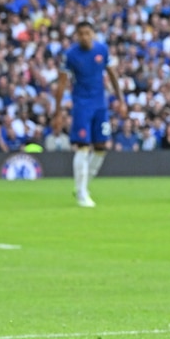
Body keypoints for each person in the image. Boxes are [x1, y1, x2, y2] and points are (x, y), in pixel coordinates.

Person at [52, 20, 124, 208]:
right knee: (83, 146)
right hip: (82, 105)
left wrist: (121, 100)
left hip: (100, 104)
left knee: (101, 147)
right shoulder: (70, 55)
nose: (84, 37)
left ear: (93, 33)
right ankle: (82, 193)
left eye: (87, 33)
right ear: (76, 35)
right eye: (81, 33)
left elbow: (112, 74)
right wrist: (57, 112)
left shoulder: (102, 50)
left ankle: (83, 185)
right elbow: (61, 84)